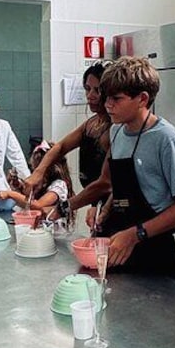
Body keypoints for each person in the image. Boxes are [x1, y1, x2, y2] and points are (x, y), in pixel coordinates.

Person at [58, 56, 175, 280]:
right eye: (107, 98)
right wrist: (99, 210)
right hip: (125, 241)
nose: (107, 105)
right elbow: (108, 182)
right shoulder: (117, 132)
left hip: (159, 250)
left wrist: (137, 233)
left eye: (116, 99)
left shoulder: (166, 139)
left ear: (142, 99)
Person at [24, 61, 112, 232]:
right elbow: (61, 146)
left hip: (115, 205)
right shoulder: (91, 124)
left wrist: (65, 207)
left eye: (98, 90)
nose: (91, 95)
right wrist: (39, 172)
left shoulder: (114, 129)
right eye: (87, 89)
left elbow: (107, 183)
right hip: (100, 200)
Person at [0, 139, 76, 227]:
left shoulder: (59, 185)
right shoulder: (42, 183)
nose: (35, 173)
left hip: (54, 233)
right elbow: (27, 202)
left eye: (38, 169)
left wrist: (11, 194)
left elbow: (38, 205)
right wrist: (17, 186)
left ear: (50, 168)